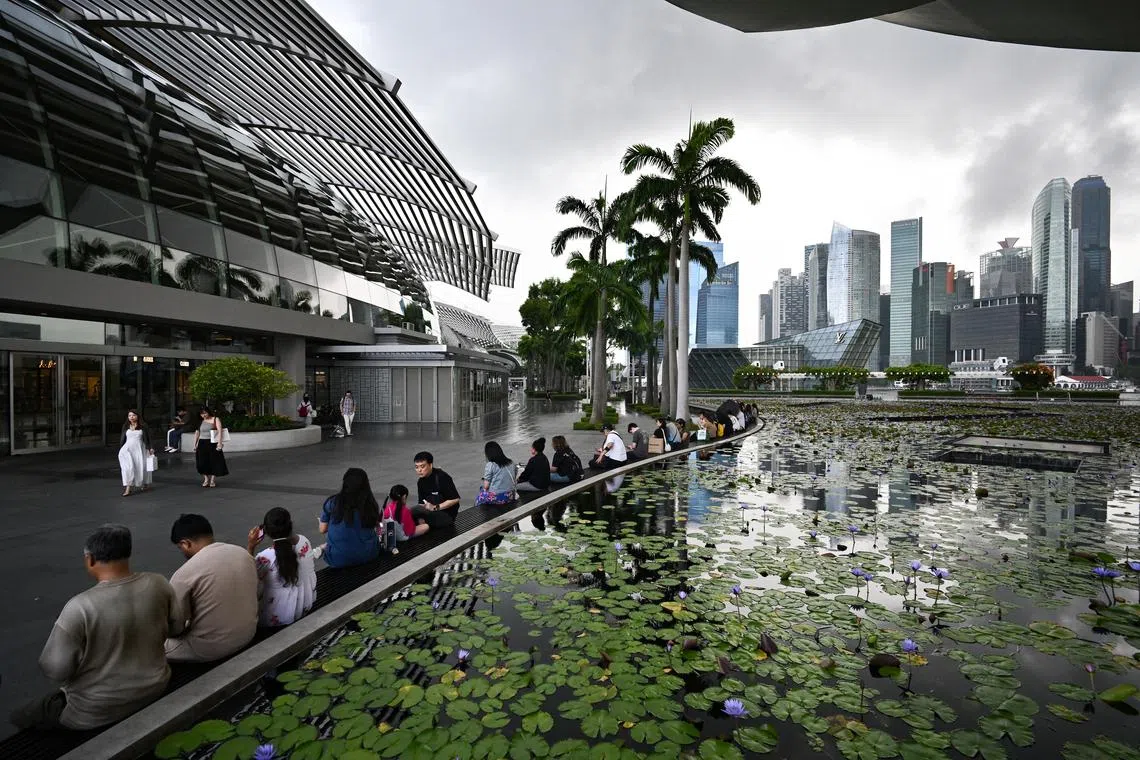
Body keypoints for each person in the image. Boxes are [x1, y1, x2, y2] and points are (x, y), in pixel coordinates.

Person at [11, 525, 183, 731]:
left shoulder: (81, 606)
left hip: (95, 710)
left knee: (21, 715)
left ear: (90, 559)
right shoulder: (159, 583)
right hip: (156, 685)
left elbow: (55, 669)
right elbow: (177, 628)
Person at [165, 514, 258, 662]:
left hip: (210, 649)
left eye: (179, 547)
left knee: (147, 644)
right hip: (248, 633)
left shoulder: (185, 573)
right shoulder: (242, 554)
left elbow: (175, 626)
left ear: (185, 543)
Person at [247, 507, 316, 628]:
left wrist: (251, 546)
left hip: (275, 617)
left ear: (266, 531)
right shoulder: (304, 541)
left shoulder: (265, 557)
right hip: (304, 606)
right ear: (290, 525)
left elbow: (247, 575)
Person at [314, 468, 381, 567]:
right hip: (369, 554)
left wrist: (321, 522)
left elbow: (322, 529)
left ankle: (323, 548)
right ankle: (324, 547)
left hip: (339, 559)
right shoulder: (371, 504)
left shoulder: (333, 502)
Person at [412, 451, 461, 529]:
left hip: (447, 515)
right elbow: (421, 503)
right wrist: (420, 517)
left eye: (422, 466)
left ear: (430, 465)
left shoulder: (442, 477)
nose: (419, 470)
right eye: (417, 467)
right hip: (430, 513)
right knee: (409, 513)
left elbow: (455, 499)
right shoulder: (420, 482)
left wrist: (435, 507)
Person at [118, 409, 153, 497]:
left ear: (137, 416)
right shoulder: (126, 426)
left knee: (141, 466)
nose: (131, 417)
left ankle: (144, 483)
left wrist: (150, 447)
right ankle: (128, 488)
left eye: (133, 415)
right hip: (127, 450)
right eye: (129, 415)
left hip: (139, 449)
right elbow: (123, 438)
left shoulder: (143, 426)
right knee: (128, 468)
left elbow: (148, 437)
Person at [193, 406, 228, 488]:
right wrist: (195, 444)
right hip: (202, 443)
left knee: (214, 461)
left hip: (212, 443)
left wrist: (219, 443)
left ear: (208, 412)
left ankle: (212, 480)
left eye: (205, 413)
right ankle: (206, 479)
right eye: (202, 414)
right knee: (201, 462)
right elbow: (197, 433)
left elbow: (220, 431)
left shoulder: (215, 419)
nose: (203, 415)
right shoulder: (200, 421)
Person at [477, 441, 517, 506]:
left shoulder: (491, 465)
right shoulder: (511, 462)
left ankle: (480, 514)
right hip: (510, 495)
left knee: (480, 496)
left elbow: (486, 486)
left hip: (498, 497)